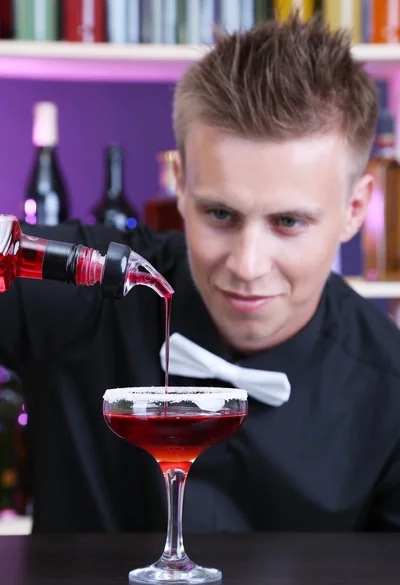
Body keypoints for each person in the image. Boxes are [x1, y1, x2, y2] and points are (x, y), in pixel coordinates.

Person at [2, 12, 400, 534]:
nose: (247, 265)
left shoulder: (390, 390)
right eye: (220, 214)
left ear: (354, 209)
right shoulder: (86, 279)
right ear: (182, 184)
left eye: (288, 222)